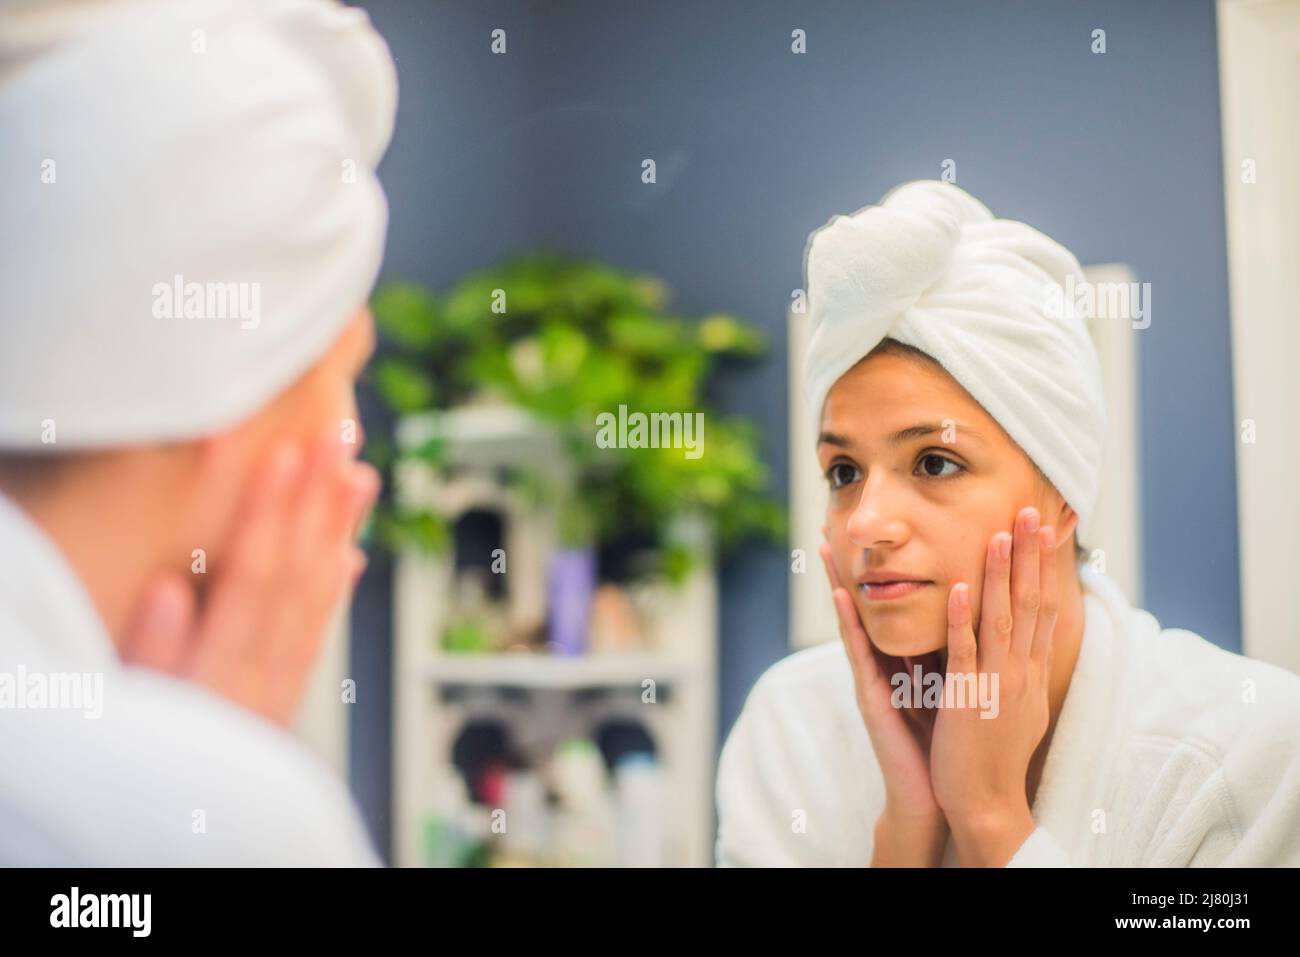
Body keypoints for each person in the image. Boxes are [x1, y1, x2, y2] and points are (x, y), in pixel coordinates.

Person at [715, 180, 1300, 867]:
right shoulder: (789, 733)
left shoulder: (1246, 751)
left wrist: (994, 821)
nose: (866, 523)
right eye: (843, 472)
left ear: (1063, 496)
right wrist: (908, 829)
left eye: (935, 462)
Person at [0, 0, 396, 864]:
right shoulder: (219, 820)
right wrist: (222, 788)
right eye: (344, 371)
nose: (351, 439)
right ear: (230, 391)